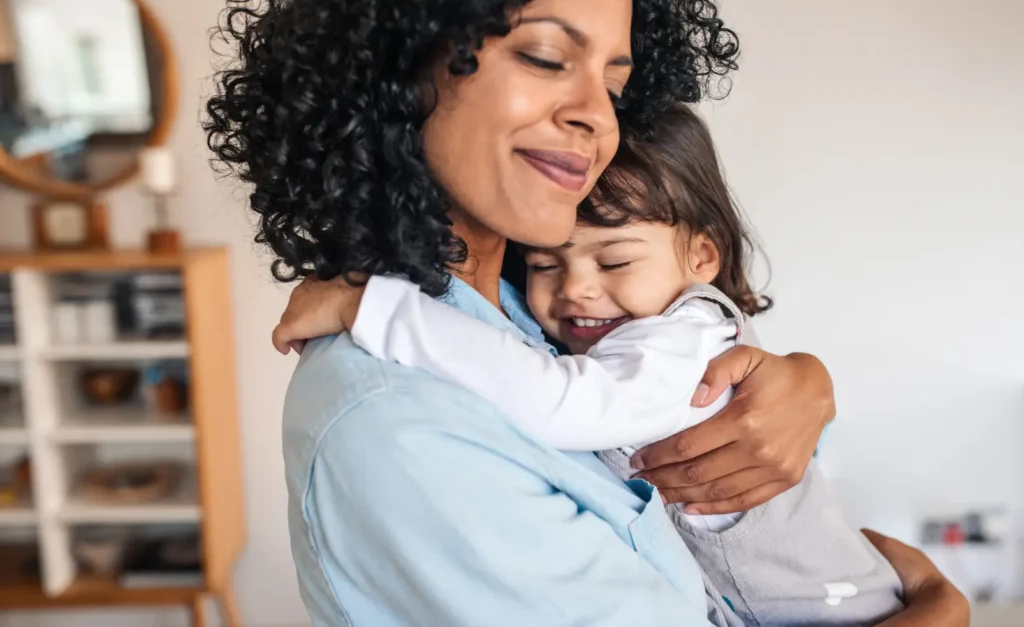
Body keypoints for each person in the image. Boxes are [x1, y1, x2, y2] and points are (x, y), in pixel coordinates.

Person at [207, 0, 969, 625]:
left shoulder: (532, 313)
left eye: (615, 84)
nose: (596, 116)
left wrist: (799, 384)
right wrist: (938, 605)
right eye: (545, 56)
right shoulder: (396, 421)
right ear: (393, 66)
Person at [272, 103, 906, 626]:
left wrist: (373, 309)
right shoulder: (394, 415)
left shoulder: (669, 340)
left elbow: (559, 401)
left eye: (614, 263)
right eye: (548, 264)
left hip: (828, 605)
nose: (575, 290)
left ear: (702, 257)